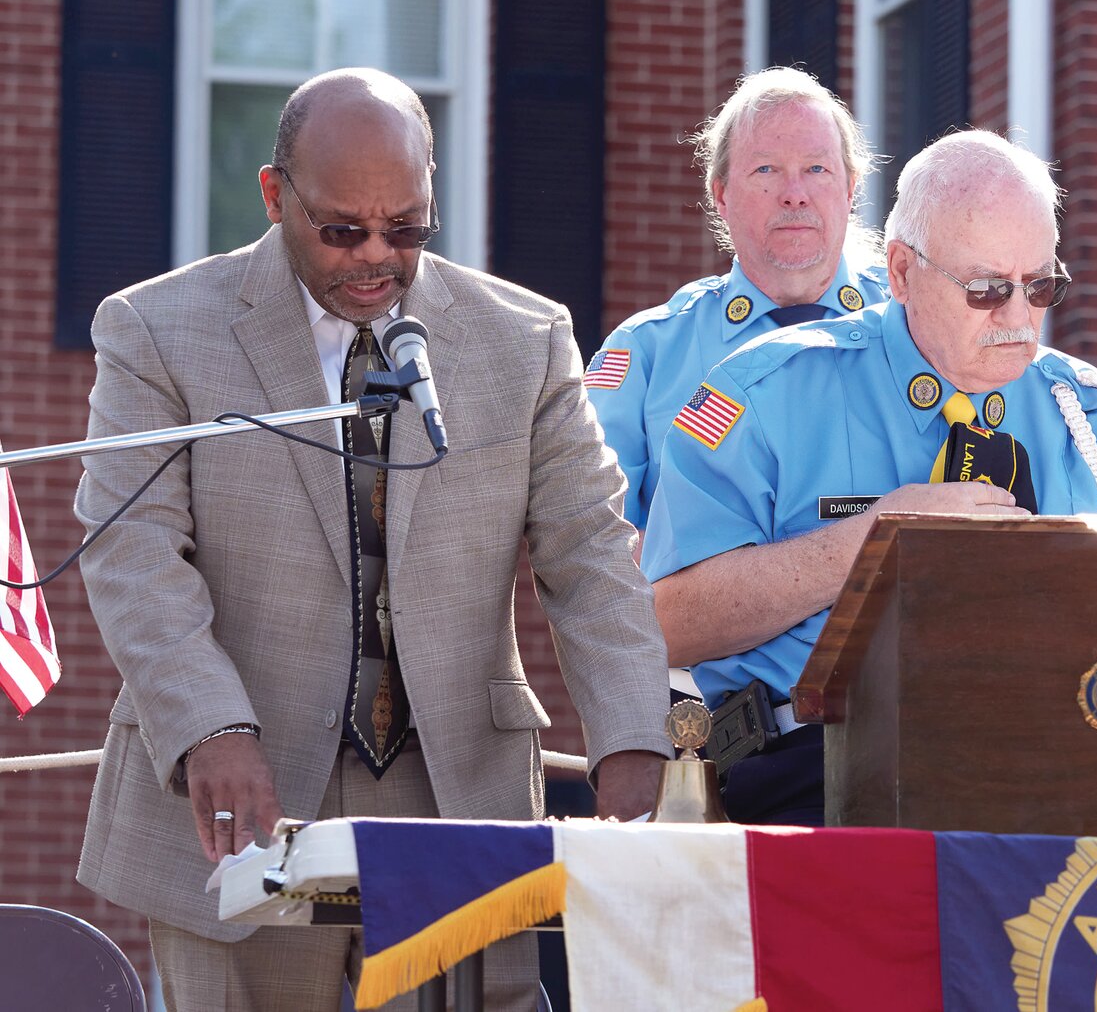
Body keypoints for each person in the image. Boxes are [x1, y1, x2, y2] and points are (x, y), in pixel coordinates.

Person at [73, 69, 672, 1011]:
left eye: (408, 228)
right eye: (343, 229)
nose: (377, 257)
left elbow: (591, 552)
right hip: (244, 800)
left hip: (455, 807)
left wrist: (633, 741)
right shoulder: (155, 329)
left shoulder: (526, 338)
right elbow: (132, 551)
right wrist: (210, 725)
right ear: (276, 196)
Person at [640, 130, 1097, 825]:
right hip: (817, 779)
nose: (1018, 316)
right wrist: (873, 543)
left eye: (1041, 285)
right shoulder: (768, 393)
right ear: (899, 272)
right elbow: (664, 626)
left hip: (1058, 777)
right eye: (986, 289)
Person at [585, 67, 888, 530]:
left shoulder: (916, 324)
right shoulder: (645, 353)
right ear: (721, 195)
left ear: (850, 190)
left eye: (817, 169)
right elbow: (593, 539)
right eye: (766, 169)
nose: (794, 195)